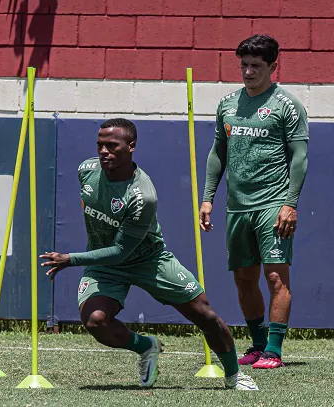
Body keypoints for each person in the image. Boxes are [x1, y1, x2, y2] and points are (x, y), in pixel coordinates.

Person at [39, 118, 258, 390]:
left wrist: (70, 259)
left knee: (205, 315)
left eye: (112, 146)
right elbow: (93, 209)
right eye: (100, 145)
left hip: (148, 260)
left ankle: (234, 376)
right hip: (105, 263)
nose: (104, 151)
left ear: (131, 147)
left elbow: (121, 250)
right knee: (96, 322)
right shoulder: (86, 170)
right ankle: (146, 346)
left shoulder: (143, 195)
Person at [200, 34, 309, 369]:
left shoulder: (286, 105)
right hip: (237, 206)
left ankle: (274, 350)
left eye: (256, 66)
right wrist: (208, 198)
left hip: (273, 204)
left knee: (276, 278)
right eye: (244, 65)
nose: (248, 72)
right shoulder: (227, 104)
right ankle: (258, 343)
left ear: (273, 66)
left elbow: (300, 157)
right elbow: (218, 153)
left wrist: (290, 204)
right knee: (244, 278)